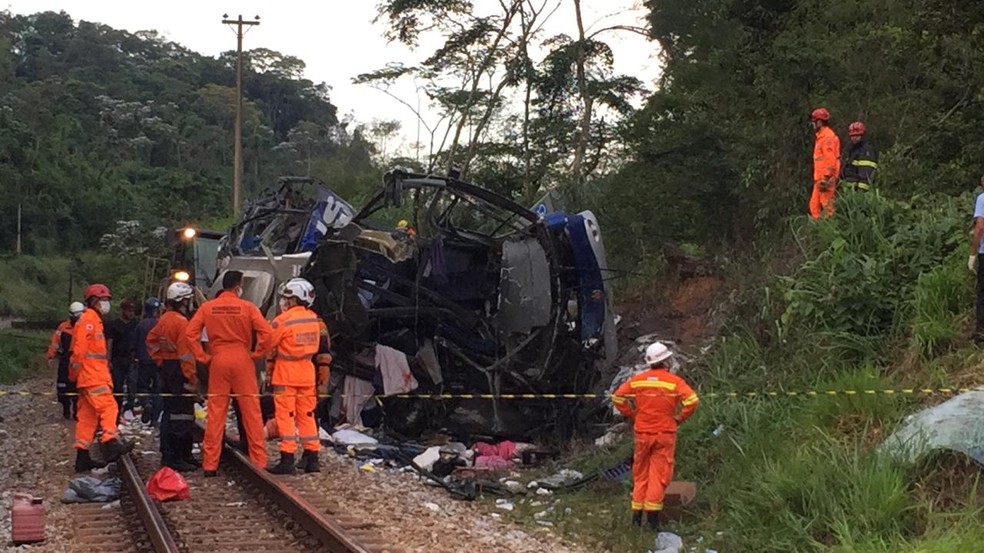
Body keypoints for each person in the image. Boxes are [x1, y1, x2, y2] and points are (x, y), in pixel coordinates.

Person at [185, 270, 272, 476]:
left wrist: (203, 357)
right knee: (252, 412)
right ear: (238, 286)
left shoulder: (208, 307)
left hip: (218, 360)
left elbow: (190, 333)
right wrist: (257, 353)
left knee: (216, 414)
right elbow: (267, 333)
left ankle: (210, 465)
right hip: (242, 360)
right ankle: (259, 460)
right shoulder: (248, 307)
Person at [611, 342, 699, 532]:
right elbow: (692, 400)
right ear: (666, 360)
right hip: (664, 434)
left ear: (650, 362)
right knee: (658, 477)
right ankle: (652, 523)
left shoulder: (638, 380)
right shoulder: (674, 382)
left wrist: (633, 415)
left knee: (640, 475)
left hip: (642, 434)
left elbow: (617, 397)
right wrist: (678, 418)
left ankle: (636, 519)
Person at [266, 278, 332, 475]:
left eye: (287, 297)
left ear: (293, 299)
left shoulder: (282, 320)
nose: (285, 301)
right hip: (307, 374)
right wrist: (323, 381)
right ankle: (312, 458)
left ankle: (287, 458)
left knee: (285, 417)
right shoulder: (316, 321)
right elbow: (324, 350)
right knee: (307, 416)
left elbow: (269, 343)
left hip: (286, 374)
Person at [71, 284, 134, 472]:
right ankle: (110, 442)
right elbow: (79, 351)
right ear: (92, 301)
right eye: (103, 300)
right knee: (109, 407)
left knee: (87, 417)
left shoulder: (93, 320)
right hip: (92, 376)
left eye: (107, 300)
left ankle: (82, 457)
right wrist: (75, 374)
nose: (106, 304)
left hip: (91, 376)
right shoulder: (89, 320)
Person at [147, 283, 199, 472]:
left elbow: (151, 341)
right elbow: (186, 355)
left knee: (171, 412)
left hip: (167, 369)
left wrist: (160, 360)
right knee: (182, 414)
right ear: (183, 301)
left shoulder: (163, 319)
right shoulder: (182, 322)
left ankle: (179, 454)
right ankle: (178, 456)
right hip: (179, 371)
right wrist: (191, 378)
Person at [47, 302, 85, 420]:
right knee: (63, 385)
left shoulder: (85, 327)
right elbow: (55, 342)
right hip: (66, 360)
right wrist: (50, 356)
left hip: (79, 361)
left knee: (78, 386)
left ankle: (76, 411)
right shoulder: (63, 327)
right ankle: (65, 408)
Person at [133, 297, 162, 425]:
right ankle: (154, 418)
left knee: (142, 387)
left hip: (144, 360)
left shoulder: (141, 324)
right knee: (158, 389)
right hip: (158, 361)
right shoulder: (162, 324)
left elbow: (134, 343)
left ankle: (146, 404)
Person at [106, 298, 138, 415]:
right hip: (117, 359)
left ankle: (129, 408)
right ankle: (116, 408)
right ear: (123, 310)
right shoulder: (114, 325)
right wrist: (108, 359)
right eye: (129, 310)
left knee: (132, 386)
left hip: (131, 360)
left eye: (132, 310)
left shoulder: (135, 324)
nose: (131, 313)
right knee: (117, 385)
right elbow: (110, 342)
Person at [809, 107, 841, 219]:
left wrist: (826, 177)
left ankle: (831, 229)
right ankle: (818, 229)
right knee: (814, 206)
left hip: (826, 179)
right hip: (819, 178)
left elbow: (830, 159)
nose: (812, 124)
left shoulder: (827, 137)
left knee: (828, 206)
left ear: (819, 122)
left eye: (814, 122)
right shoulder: (821, 137)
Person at [841, 121, 878, 191]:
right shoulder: (850, 148)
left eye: (857, 136)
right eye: (852, 136)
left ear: (862, 135)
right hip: (848, 189)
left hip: (856, 191)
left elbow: (866, 172)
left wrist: (861, 192)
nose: (854, 138)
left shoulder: (866, 150)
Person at [969, 176, 984, 344]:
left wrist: (972, 254)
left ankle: (980, 335)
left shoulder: (982, 199)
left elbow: (980, 227)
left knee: (982, 294)